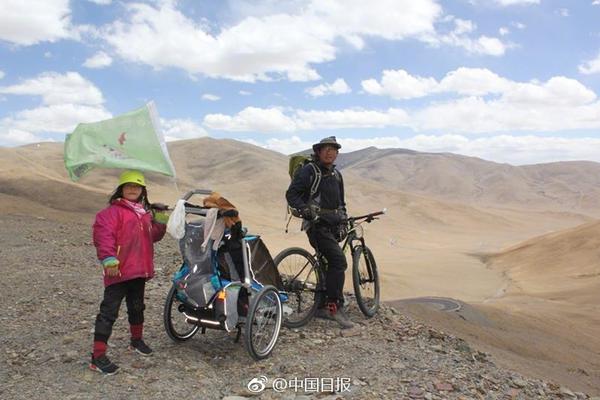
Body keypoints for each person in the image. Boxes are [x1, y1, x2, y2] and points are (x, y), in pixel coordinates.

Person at [89, 170, 168, 375]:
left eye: (137, 186)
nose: (133, 189)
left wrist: (159, 219)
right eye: (128, 186)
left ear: (143, 190)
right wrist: (108, 258)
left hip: (139, 270)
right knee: (109, 312)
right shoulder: (111, 213)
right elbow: (103, 236)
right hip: (118, 270)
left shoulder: (143, 213)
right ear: (121, 189)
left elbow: (154, 236)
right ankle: (97, 357)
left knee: (137, 307)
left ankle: (136, 341)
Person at [285, 136, 354, 329]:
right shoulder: (310, 171)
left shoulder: (336, 175)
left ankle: (321, 305)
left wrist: (343, 218)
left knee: (328, 263)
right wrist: (305, 209)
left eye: (333, 149)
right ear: (318, 151)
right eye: (326, 149)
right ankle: (334, 306)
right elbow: (292, 194)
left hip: (333, 225)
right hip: (316, 226)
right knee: (339, 261)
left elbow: (341, 203)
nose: (330, 152)